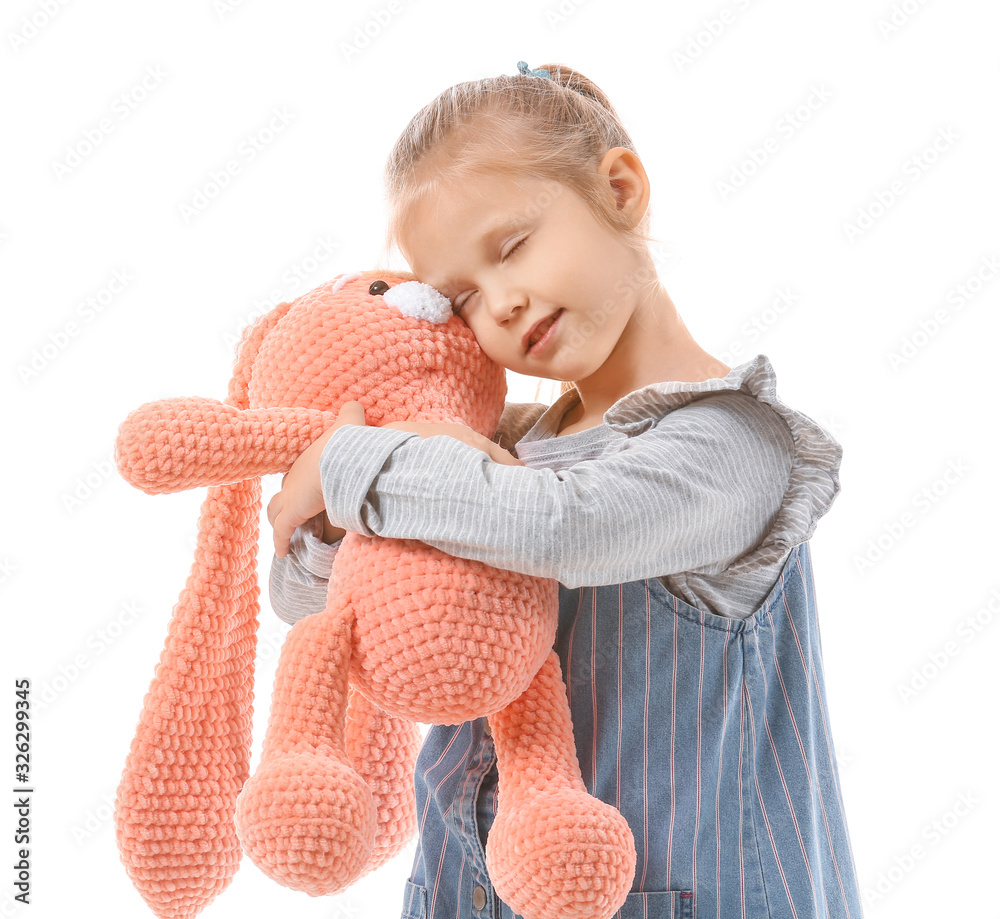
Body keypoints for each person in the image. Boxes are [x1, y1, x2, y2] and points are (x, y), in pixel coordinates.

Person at [266, 61, 864, 919]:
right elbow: (312, 602)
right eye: (463, 298)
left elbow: (567, 527)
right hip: (465, 887)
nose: (500, 304)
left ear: (619, 190)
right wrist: (323, 522)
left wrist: (358, 463)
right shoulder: (492, 444)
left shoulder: (734, 440)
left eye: (511, 248)